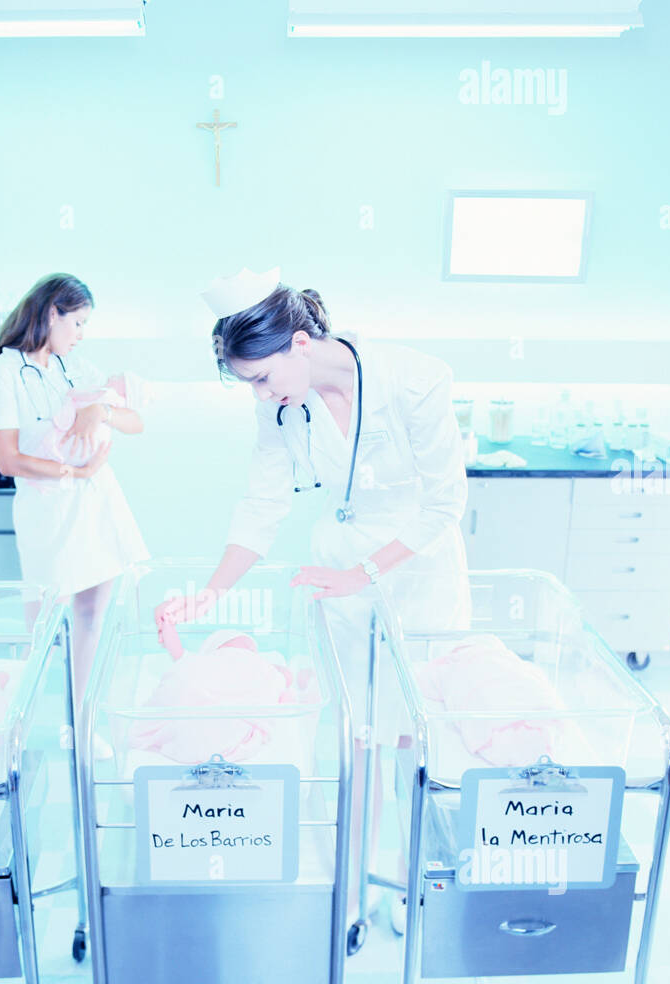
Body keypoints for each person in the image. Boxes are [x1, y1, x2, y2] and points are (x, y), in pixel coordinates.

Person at [154, 267, 471, 932]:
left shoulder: (414, 380)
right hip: (343, 568)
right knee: (360, 739)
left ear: (298, 344)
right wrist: (210, 594)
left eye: (261, 377)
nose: (259, 394)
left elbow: (446, 504)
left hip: (418, 566)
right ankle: (355, 884)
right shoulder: (280, 405)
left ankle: (413, 881)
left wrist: (365, 574)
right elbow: (262, 503)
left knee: (414, 737)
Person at [0, 274, 149, 728]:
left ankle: (83, 722)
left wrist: (101, 411)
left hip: (96, 505)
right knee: (42, 626)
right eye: (77, 323)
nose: (80, 335)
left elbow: (136, 422)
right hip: (47, 511)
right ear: (52, 312)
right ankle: (13, 724)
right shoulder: (1, 375)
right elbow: (8, 460)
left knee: (93, 618)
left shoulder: (75, 368)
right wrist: (73, 471)